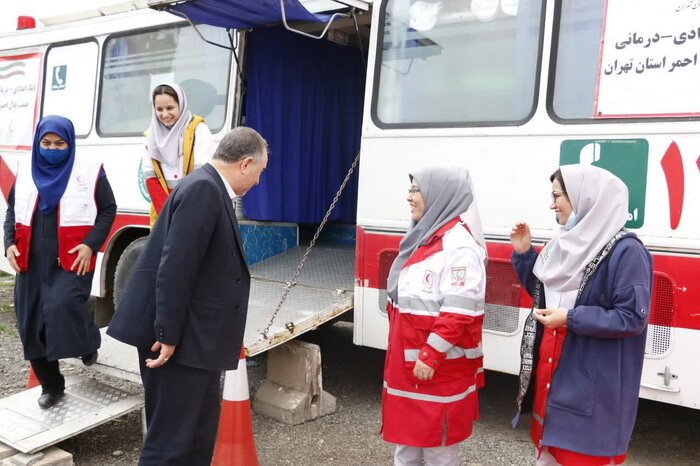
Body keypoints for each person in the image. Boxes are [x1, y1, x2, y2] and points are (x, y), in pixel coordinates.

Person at [107, 126, 268, 466]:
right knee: (170, 444)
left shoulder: (209, 188)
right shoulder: (203, 190)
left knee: (197, 435)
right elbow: (176, 267)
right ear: (246, 163)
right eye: (259, 172)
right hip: (177, 343)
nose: (257, 182)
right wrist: (166, 334)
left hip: (196, 342)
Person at [510, 165, 653, 466]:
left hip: (592, 388)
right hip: (558, 380)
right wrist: (525, 255)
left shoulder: (627, 251)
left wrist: (571, 319)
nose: (552, 204)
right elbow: (546, 295)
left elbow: (631, 318)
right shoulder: (566, 242)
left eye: (557, 196)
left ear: (584, 197)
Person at [3, 115, 117, 409]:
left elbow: (108, 209)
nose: (52, 149)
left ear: (70, 143)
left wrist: (91, 245)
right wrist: (9, 245)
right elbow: (12, 211)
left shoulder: (91, 172)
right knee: (30, 324)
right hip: (30, 259)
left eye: (60, 143)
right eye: (46, 143)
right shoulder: (26, 172)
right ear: (38, 143)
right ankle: (52, 386)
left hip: (71, 258)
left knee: (63, 306)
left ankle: (88, 341)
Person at [382, 167, 487, 466]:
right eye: (411, 190)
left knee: (440, 451)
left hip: (437, 370)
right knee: (406, 445)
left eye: (416, 190)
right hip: (409, 368)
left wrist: (430, 355)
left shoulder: (460, 247)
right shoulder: (422, 236)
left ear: (439, 195)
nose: (409, 197)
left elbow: (459, 310)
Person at [143, 82, 213, 226]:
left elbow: (200, 174)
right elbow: (150, 177)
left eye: (170, 108)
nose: (164, 114)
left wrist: (184, 212)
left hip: (192, 207)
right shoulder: (151, 135)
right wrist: (167, 214)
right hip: (162, 213)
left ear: (181, 104)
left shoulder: (199, 130)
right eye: (159, 109)